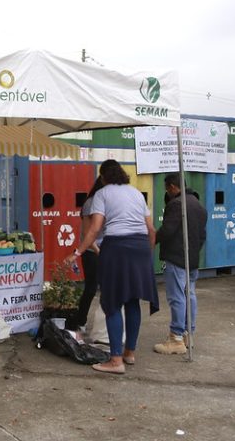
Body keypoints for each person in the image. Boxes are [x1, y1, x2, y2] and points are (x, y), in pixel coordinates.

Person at [65, 159, 158, 375]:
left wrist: (77, 252)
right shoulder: (135, 193)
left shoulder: (102, 194)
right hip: (141, 247)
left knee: (113, 301)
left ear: (104, 176)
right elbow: (151, 229)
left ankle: (115, 361)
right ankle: (129, 353)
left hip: (117, 247)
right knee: (133, 300)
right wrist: (147, 254)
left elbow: (95, 229)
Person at [153, 173, 207, 355]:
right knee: (189, 294)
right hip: (192, 259)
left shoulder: (177, 204)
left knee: (177, 297)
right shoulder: (198, 205)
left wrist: (152, 240)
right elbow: (202, 237)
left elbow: (167, 230)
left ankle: (175, 337)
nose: (167, 192)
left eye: (167, 189)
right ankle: (187, 334)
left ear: (173, 187)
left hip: (176, 258)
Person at [74, 176, 104, 330]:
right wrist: (98, 251)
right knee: (91, 287)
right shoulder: (90, 203)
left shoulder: (108, 202)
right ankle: (81, 321)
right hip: (91, 251)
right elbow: (87, 234)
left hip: (105, 250)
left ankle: (103, 324)